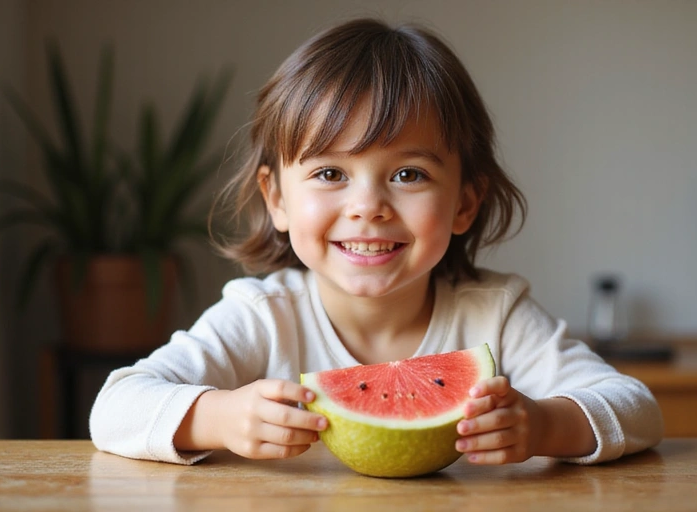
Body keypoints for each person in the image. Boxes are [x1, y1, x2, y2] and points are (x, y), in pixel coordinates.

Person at [89, 17, 663, 466]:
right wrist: (217, 416)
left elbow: (636, 408)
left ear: (464, 202)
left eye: (409, 174)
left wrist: (543, 425)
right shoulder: (263, 316)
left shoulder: (496, 313)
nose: (368, 206)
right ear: (278, 199)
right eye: (330, 173)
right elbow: (114, 408)